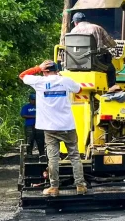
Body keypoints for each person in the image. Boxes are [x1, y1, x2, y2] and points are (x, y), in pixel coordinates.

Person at [19, 60, 87, 196]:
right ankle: (80, 186)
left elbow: (22, 76)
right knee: (74, 156)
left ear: (45, 71)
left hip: (49, 128)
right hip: (68, 126)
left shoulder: (39, 82)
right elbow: (79, 89)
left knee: (53, 158)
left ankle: (54, 187)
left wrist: (38, 67)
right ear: (57, 70)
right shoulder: (66, 80)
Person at [68, 12, 120, 92]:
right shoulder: (97, 28)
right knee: (111, 70)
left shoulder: (73, 31)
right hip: (95, 62)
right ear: (85, 20)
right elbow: (111, 44)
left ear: (76, 22)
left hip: (77, 62)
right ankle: (111, 90)